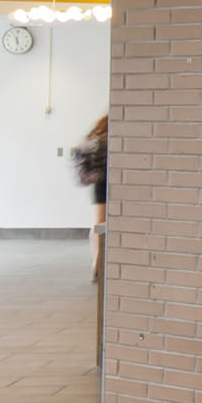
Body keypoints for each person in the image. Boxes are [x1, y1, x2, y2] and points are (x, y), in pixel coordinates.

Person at [78, 115, 109, 280]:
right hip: (109, 183)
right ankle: (98, 261)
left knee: (98, 223)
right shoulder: (109, 140)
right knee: (101, 225)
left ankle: (97, 259)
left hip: (99, 184)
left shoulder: (94, 139)